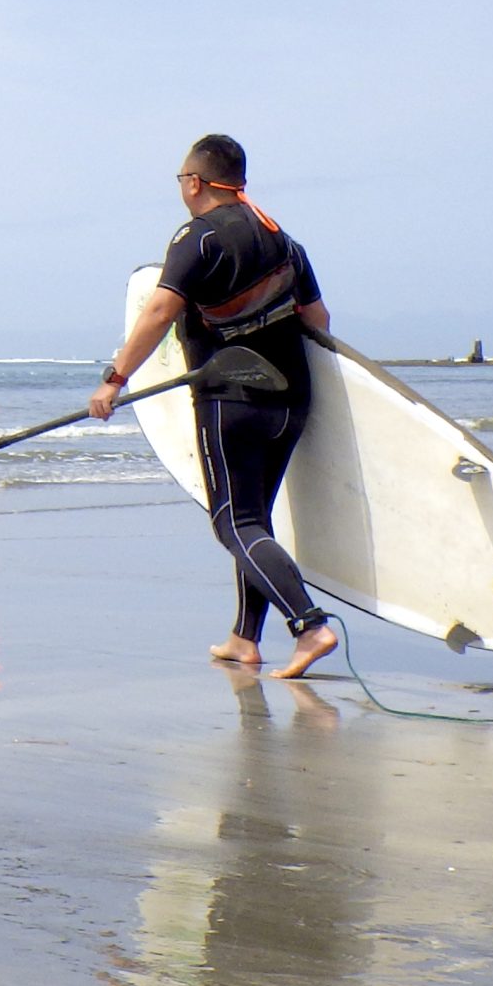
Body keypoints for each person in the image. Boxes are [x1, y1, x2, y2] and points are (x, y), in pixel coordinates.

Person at [89, 134, 339, 679]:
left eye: (181, 178)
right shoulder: (285, 241)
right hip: (292, 399)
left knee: (233, 522)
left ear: (196, 183)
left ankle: (311, 625)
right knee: (256, 520)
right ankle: (243, 639)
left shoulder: (198, 238)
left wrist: (115, 380)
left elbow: (158, 312)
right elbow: (317, 321)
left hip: (231, 400)